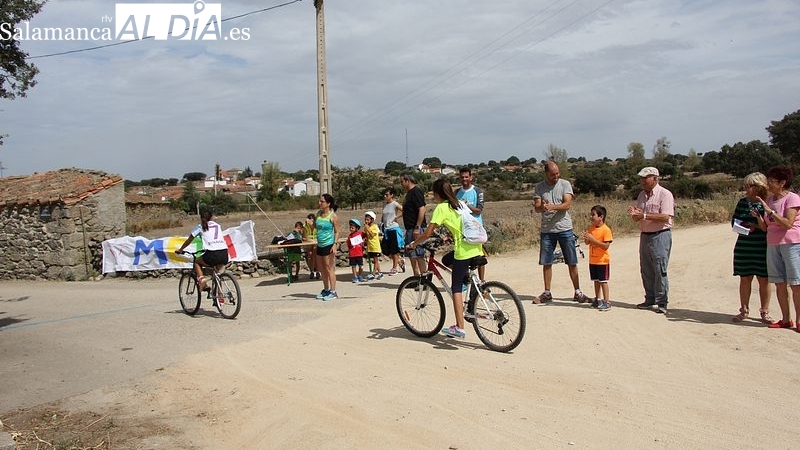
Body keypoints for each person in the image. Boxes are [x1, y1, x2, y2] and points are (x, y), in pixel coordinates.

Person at [408, 178, 484, 339]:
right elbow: (461, 224)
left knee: (455, 288)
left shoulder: (441, 208)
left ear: (437, 194)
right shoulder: (459, 203)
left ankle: (459, 327)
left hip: (464, 251)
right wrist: (448, 237)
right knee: (446, 260)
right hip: (476, 247)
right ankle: (467, 283)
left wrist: (414, 244)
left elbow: (427, 233)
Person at [532, 161, 590, 304]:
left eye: (557, 173)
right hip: (547, 230)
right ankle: (547, 292)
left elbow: (567, 204)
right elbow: (537, 207)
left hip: (564, 228)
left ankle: (578, 291)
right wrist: (543, 207)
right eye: (552, 174)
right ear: (546, 173)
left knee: (572, 261)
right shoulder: (539, 187)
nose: (556, 176)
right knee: (546, 262)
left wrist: (553, 206)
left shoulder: (565, 184)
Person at [756, 166, 800, 331]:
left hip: (791, 244)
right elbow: (766, 226)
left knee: (796, 284)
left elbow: (787, 224)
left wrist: (771, 212)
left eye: (772, 181)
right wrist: (759, 217)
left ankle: (799, 320)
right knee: (779, 283)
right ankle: (786, 319)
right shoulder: (769, 200)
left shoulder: (792, 198)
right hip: (773, 244)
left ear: (783, 182)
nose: (769, 184)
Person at [627, 167, 675, 314]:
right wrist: (635, 214)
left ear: (654, 178)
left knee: (660, 269)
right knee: (646, 269)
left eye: (645, 177)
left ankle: (662, 302)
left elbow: (666, 216)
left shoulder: (665, 194)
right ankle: (650, 298)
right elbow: (639, 216)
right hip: (645, 235)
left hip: (661, 235)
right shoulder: (641, 195)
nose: (642, 180)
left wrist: (644, 216)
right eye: (641, 178)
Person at [730, 172, 773, 323]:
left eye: (749, 186)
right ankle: (744, 309)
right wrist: (746, 228)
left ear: (758, 186)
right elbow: (734, 222)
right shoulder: (742, 202)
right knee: (745, 277)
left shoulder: (768, 202)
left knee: (764, 279)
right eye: (746, 185)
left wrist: (757, 223)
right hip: (744, 246)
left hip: (763, 246)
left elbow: (770, 225)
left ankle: (765, 311)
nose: (746, 188)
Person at [175, 208, 229, 291]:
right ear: (211, 217)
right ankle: (220, 296)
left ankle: (202, 279)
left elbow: (189, 240)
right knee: (218, 274)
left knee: (197, 261)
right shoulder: (217, 225)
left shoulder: (200, 227)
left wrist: (181, 249)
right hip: (224, 253)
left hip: (212, 254)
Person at [455, 167, 487, 282]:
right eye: (462, 177)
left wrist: (466, 206)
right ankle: (467, 280)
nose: (464, 179)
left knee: (480, 256)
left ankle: (482, 281)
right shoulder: (457, 192)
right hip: (462, 229)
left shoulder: (478, 191)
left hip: (476, 229)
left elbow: (479, 210)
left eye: (466, 177)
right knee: (465, 256)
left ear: (471, 177)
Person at [580, 205, 613, 311]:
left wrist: (593, 240)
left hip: (602, 261)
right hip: (593, 260)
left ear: (601, 217)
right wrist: (586, 238)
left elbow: (606, 246)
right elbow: (587, 243)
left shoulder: (606, 230)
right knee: (596, 280)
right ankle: (597, 299)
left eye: (593, 214)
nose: (591, 216)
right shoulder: (591, 228)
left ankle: (606, 301)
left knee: (603, 281)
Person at [401, 174, 427, 276]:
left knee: (419, 254)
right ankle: (416, 278)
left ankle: (424, 279)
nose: (401, 184)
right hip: (410, 228)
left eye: (402, 181)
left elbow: (422, 209)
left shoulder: (416, 191)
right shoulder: (409, 194)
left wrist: (418, 227)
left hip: (416, 228)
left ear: (408, 181)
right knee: (412, 254)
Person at [315, 194, 340, 301]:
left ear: (328, 203)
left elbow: (337, 231)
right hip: (319, 244)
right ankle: (326, 289)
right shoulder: (319, 214)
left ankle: (333, 291)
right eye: (320, 201)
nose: (320, 203)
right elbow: (317, 227)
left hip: (328, 244)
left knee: (329, 268)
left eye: (322, 201)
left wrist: (335, 244)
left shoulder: (333, 216)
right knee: (322, 269)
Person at [380, 187, 405, 275]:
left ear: (391, 195)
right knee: (385, 250)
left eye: (387, 194)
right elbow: (383, 216)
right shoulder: (385, 205)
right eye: (385, 194)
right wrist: (381, 225)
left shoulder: (395, 204)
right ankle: (400, 261)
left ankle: (395, 268)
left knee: (394, 250)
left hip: (393, 229)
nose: (385, 196)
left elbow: (404, 210)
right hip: (386, 229)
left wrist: (396, 217)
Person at [363, 211, 384, 280]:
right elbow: (366, 235)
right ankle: (380, 273)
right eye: (365, 219)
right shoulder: (367, 227)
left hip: (375, 246)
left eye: (368, 220)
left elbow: (372, 235)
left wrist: (367, 228)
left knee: (375, 260)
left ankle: (373, 273)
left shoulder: (375, 227)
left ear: (372, 220)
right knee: (375, 260)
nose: (366, 221)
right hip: (370, 246)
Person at [347, 218, 366, 283]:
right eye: (350, 227)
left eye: (352, 228)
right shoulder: (349, 236)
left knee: (361, 266)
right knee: (353, 266)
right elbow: (349, 245)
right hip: (352, 254)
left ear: (357, 228)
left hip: (359, 254)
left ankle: (360, 275)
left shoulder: (360, 233)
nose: (351, 229)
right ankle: (355, 277)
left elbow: (366, 235)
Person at [302, 213, 320, 279]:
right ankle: (311, 271)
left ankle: (317, 271)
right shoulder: (305, 226)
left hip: (316, 242)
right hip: (308, 242)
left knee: (315, 254)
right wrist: (311, 241)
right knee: (310, 255)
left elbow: (319, 234)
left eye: (313, 220)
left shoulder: (317, 225)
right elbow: (304, 237)